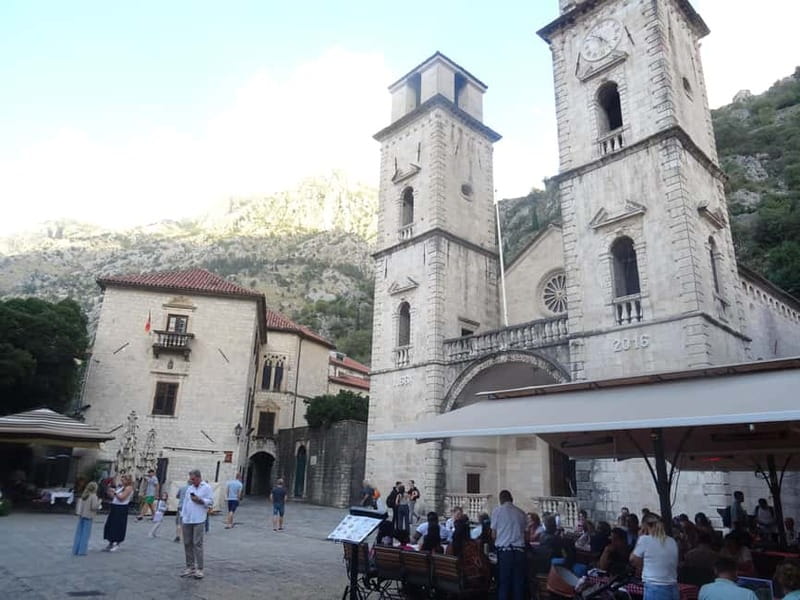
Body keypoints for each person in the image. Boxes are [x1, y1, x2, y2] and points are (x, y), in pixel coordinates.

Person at [630, 512, 679, 600]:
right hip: (673, 588)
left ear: (645, 526)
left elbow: (633, 559)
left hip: (655, 587)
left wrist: (639, 538)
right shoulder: (672, 541)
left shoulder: (645, 540)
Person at [491, 489, 528, 600]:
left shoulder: (497, 511)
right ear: (512, 499)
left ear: (501, 499)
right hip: (519, 551)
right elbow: (527, 535)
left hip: (505, 551)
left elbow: (493, 534)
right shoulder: (521, 513)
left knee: (504, 583)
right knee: (518, 584)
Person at [180, 469, 214, 579]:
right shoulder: (190, 488)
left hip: (199, 518)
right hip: (187, 519)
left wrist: (200, 500)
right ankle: (190, 566)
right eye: (191, 479)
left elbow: (210, 501)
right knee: (187, 543)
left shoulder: (206, 487)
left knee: (197, 543)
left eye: (193, 479)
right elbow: (185, 502)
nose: (191, 481)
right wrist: (183, 516)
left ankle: (200, 568)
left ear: (199, 478)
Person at [446, 516, 490, 580]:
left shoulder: (450, 546)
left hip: (451, 578)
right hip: (467, 577)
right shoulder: (470, 547)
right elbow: (478, 563)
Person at [103, 473, 134, 552]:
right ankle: (110, 542)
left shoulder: (129, 488)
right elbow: (114, 497)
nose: (122, 480)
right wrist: (110, 492)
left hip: (121, 508)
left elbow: (122, 498)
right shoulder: (121, 487)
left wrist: (115, 492)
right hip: (115, 506)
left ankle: (117, 543)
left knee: (118, 525)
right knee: (110, 525)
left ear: (128, 480)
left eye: (123, 479)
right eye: (122, 479)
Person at [72, 481, 100, 555]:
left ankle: (75, 549)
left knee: (79, 533)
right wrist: (99, 503)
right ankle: (82, 551)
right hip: (88, 516)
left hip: (82, 515)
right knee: (85, 534)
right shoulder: (94, 496)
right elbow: (93, 507)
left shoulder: (84, 495)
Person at [174, 478, 189, 543]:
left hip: (180, 507)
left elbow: (177, 496)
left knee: (179, 522)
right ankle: (185, 537)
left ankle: (178, 536)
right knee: (186, 522)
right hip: (188, 508)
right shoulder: (193, 490)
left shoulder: (182, 488)